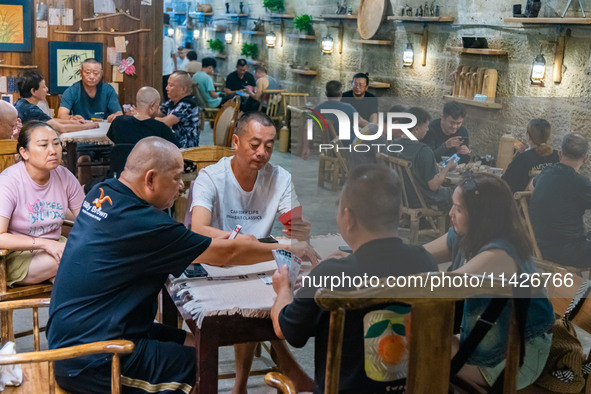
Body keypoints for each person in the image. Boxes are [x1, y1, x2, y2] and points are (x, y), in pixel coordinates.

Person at [47, 137, 290, 394]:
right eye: (176, 178)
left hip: (86, 333)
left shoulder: (102, 193)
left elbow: (192, 239)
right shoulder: (144, 223)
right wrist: (287, 250)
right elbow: (226, 255)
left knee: (199, 346)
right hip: (92, 359)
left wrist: (234, 240)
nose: (183, 186)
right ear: (150, 179)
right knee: (199, 365)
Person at [271, 164, 438, 393]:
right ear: (399, 212)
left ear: (348, 218)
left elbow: (287, 330)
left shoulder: (330, 274)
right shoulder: (424, 263)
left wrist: (283, 289)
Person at [191, 111, 314, 393]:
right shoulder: (211, 176)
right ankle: (256, 379)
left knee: (279, 291)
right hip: (220, 262)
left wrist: (298, 230)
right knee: (252, 307)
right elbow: (198, 229)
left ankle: (244, 384)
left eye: (269, 147)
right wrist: (241, 242)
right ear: (235, 141)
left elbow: (293, 226)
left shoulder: (279, 178)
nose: (262, 153)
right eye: (254, 144)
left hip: (260, 259)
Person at [424, 173, 554, 391]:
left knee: (414, 342)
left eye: (458, 208)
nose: (450, 213)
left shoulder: (498, 254)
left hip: (514, 354)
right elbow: (417, 255)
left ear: (481, 216)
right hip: (487, 338)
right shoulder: (466, 235)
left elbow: (440, 289)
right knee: (410, 338)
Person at [0, 121, 84, 286]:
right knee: (78, 260)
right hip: (16, 255)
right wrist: (45, 244)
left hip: (56, 247)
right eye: (43, 145)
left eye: (57, 144)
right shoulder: (8, 182)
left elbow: (87, 219)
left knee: (92, 256)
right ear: (24, 152)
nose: (53, 151)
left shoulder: (64, 176)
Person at [529, 133, 591, 268]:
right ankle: (586, 288)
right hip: (570, 252)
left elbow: (531, 187)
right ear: (586, 158)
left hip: (541, 247)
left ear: (560, 154)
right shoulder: (579, 183)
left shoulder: (546, 173)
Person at [391, 107, 455, 211]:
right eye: (426, 126)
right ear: (416, 129)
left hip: (400, 197)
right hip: (420, 200)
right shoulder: (424, 151)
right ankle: (450, 226)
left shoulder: (393, 145)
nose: (427, 129)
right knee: (454, 193)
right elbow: (433, 186)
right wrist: (447, 167)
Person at [16, 70, 99, 133]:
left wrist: (73, 121)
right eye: (43, 87)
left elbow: (49, 120)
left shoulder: (20, 103)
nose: (47, 89)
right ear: (33, 91)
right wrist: (90, 126)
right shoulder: (31, 110)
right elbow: (62, 128)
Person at [107, 87, 179, 147]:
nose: (158, 109)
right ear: (152, 106)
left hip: (122, 164)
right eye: (158, 106)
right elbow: (178, 151)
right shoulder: (161, 128)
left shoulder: (118, 122)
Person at [501, 119, 559, 193]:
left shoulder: (523, 158)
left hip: (524, 202)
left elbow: (506, 183)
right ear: (547, 137)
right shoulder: (556, 156)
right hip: (549, 202)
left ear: (528, 136)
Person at [57, 58, 123, 122]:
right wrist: (71, 118)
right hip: (80, 128)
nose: (92, 77)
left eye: (96, 73)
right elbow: (61, 115)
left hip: (103, 129)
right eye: (88, 73)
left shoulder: (108, 90)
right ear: (81, 73)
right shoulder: (71, 91)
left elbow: (119, 112)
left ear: (101, 73)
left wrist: (115, 116)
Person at [157, 71, 200, 148]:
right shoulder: (172, 101)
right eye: (167, 84)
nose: (166, 88)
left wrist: (144, 116)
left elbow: (165, 122)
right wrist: (141, 112)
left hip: (186, 150)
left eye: (171, 85)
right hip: (174, 145)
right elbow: (156, 112)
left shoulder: (188, 104)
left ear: (183, 89)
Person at [162, 25, 177, 101]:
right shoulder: (154, 41)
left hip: (167, 71)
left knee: (167, 93)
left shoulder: (170, 40)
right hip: (156, 72)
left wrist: (176, 68)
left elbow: (174, 55)